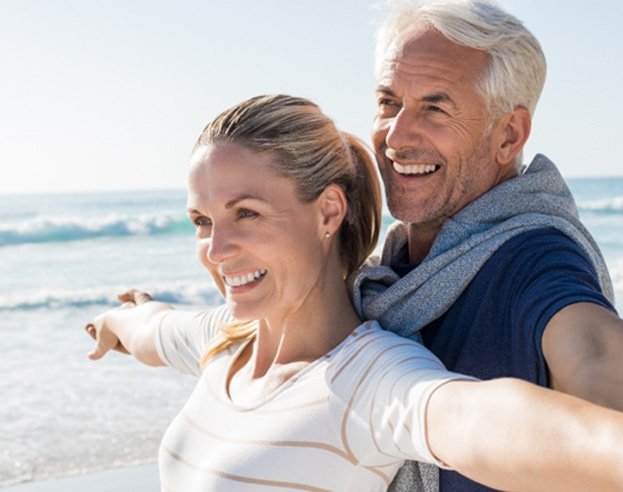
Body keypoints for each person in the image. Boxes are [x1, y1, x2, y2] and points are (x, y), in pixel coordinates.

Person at [86, 94, 623, 492]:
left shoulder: (370, 379)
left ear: (328, 212)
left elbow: (478, 418)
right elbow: (153, 329)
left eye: (246, 213)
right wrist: (117, 323)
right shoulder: (224, 340)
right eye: (202, 221)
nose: (216, 248)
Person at [349, 0, 623, 490]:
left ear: (508, 135)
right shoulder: (390, 270)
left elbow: (595, 353)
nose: (396, 134)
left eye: (435, 107)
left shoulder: (535, 258)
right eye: (389, 102)